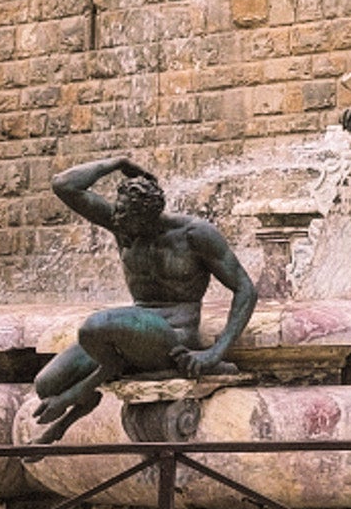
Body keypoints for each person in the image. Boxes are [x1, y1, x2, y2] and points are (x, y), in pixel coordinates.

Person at [32, 156, 256, 445]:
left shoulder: (194, 235)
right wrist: (118, 163)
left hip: (173, 335)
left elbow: (245, 289)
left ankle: (80, 393)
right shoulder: (124, 225)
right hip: (131, 331)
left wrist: (214, 353)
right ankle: (85, 396)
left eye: (124, 215)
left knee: (95, 326)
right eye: (117, 212)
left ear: (147, 217)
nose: (115, 220)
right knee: (45, 384)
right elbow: (63, 185)